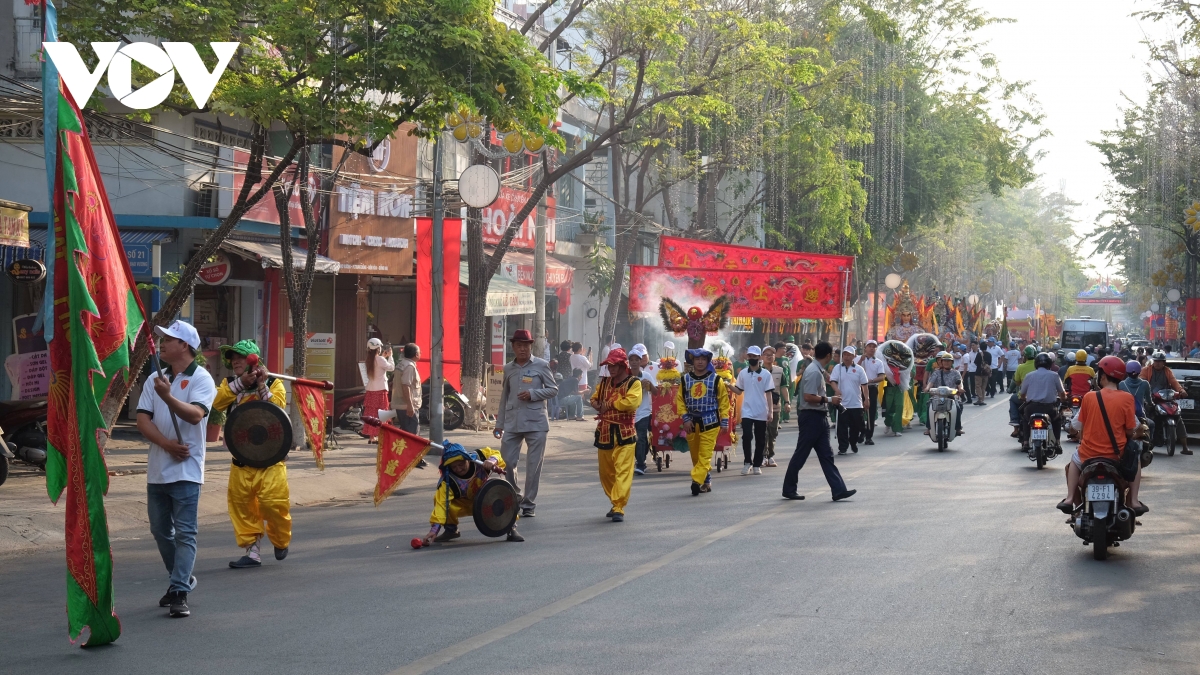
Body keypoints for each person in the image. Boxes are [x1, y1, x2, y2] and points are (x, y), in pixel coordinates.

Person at [136, 321, 216, 618]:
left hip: (187, 471)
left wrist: (169, 396)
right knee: (160, 531)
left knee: (185, 533)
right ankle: (180, 578)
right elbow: (143, 420)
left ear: (184, 345)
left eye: (168, 339)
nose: (162, 344)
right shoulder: (155, 379)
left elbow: (196, 415)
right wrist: (167, 445)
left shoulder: (202, 378)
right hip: (158, 469)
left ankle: (180, 590)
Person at [211, 340, 291, 569]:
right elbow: (215, 403)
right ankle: (252, 551)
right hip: (242, 459)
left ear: (254, 360)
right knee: (242, 506)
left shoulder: (275, 383)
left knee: (274, 504)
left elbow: (277, 407)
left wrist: (261, 386)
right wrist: (239, 385)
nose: (235, 360)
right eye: (232, 357)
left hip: (271, 460)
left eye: (241, 357)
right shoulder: (228, 385)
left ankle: (281, 540)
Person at [1060, 356, 1146, 515]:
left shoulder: (1090, 397)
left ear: (1104, 376)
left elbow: (1075, 426)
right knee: (1137, 460)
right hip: (1117, 456)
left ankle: (1070, 499)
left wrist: (1073, 431)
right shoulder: (1127, 398)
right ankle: (1133, 501)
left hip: (1088, 455)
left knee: (1073, 461)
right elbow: (1129, 430)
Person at [494, 329, 559, 517]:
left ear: (531, 346)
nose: (523, 349)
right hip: (512, 422)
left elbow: (553, 390)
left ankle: (529, 504)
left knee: (533, 465)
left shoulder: (541, 365)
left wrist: (533, 394)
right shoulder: (507, 368)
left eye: (526, 345)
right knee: (507, 460)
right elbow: (503, 398)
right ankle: (516, 494)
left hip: (536, 422)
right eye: (519, 345)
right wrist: (499, 423)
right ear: (513, 347)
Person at [782, 342, 856, 502]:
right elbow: (809, 396)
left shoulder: (817, 370)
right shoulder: (813, 372)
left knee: (827, 455)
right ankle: (788, 488)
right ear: (828, 356)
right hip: (811, 417)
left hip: (819, 417)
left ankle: (838, 489)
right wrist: (830, 399)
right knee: (801, 455)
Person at [421, 443, 523, 544]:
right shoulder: (447, 482)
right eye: (454, 466)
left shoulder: (479, 457)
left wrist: (492, 461)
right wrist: (434, 530)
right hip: (466, 504)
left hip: (487, 499)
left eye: (461, 464)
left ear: (467, 459)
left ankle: (511, 529)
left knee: (502, 496)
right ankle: (451, 530)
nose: (458, 469)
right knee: (442, 501)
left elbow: (497, 454)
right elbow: (441, 506)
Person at [590, 348, 642, 521]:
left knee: (623, 470)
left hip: (625, 433)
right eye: (609, 366)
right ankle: (614, 502)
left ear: (622, 365)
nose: (611, 369)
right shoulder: (604, 383)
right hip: (604, 432)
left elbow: (631, 402)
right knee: (606, 473)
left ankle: (619, 506)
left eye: (614, 365)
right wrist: (596, 404)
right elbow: (594, 398)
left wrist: (610, 404)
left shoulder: (634, 383)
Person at [675, 348, 731, 495]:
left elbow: (724, 402)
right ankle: (706, 480)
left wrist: (725, 420)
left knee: (705, 455)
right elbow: (680, 400)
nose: (700, 362)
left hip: (710, 421)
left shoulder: (716, 379)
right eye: (697, 359)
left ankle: (696, 481)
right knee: (695, 455)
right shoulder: (685, 379)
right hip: (691, 423)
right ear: (692, 361)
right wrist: (685, 418)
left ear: (707, 361)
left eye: (703, 359)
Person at [734, 346, 775, 474]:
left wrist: (771, 411)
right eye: (750, 356)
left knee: (760, 438)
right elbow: (739, 390)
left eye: (754, 356)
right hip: (747, 410)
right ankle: (747, 462)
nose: (752, 358)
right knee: (747, 436)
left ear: (759, 357)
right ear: (748, 357)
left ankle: (757, 464)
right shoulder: (743, 373)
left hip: (761, 410)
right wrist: (727, 385)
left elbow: (769, 394)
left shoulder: (765, 374)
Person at [1142, 351, 1191, 454]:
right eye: (1156, 361)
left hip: (1165, 398)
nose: (1158, 363)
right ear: (1153, 362)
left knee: (1178, 418)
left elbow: (1174, 382)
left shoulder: (1167, 371)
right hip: (1150, 398)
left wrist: (1181, 391)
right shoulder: (1146, 370)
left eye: (1160, 361)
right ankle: (1145, 442)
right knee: (1146, 416)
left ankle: (1185, 447)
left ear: (1164, 362)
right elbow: (1142, 381)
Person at [1019, 352, 1066, 447]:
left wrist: (1025, 399)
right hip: (1049, 408)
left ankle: (1025, 442)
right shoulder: (1054, 375)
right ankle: (1057, 442)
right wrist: (1063, 399)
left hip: (1031, 407)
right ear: (1049, 363)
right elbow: (1062, 393)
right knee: (1057, 419)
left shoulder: (1029, 375)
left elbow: (1022, 394)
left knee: (1025, 419)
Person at [830, 346, 868, 455]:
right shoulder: (838, 368)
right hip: (842, 403)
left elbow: (864, 385)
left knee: (855, 427)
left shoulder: (859, 369)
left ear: (854, 356)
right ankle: (843, 447)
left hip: (856, 403)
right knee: (841, 428)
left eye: (849, 355)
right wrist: (836, 390)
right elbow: (833, 381)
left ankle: (853, 442)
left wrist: (867, 399)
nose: (846, 357)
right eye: (845, 355)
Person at [630, 345, 657, 475]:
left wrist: (650, 385)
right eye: (632, 360)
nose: (634, 362)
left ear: (641, 361)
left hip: (644, 412)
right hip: (628, 413)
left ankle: (641, 464)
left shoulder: (646, 375)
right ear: (628, 362)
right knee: (633, 439)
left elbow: (657, 392)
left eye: (637, 359)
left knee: (641, 437)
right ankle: (637, 459)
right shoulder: (625, 377)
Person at [924, 351, 964, 437]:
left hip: (951, 396)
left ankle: (957, 428)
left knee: (958, 406)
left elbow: (960, 383)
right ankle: (928, 427)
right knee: (929, 405)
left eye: (948, 361)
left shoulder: (956, 373)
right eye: (944, 361)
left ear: (952, 363)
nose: (946, 363)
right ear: (941, 362)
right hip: (937, 396)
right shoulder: (936, 373)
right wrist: (927, 388)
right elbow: (931, 382)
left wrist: (960, 388)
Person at [362, 338, 394, 443]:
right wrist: (390, 356)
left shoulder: (369, 360)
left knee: (371, 413)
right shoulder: (380, 360)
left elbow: (378, 364)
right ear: (378, 348)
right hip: (380, 390)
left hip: (371, 390)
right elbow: (391, 367)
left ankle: (372, 437)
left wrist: (384, 357)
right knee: (381, 413)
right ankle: (381, 435)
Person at [856, 340, 887, 446]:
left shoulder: (878, 362)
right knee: (858, 412)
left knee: (871, 413)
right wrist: (861, 360)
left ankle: (869, 436)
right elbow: (854, 370)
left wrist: (872, 380)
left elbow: (882, 377)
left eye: (874, 346)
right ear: (865, 348)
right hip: (858, 388)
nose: (872, 348)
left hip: (871, 388)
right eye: (869, 346)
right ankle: (862, 430)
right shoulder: (858, 358)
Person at [763, 344, 789, 466]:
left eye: (771, 355)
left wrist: (787, 402)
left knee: (773, 432)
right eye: (767, 355)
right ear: (762, 357)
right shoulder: (758, 371)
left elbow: (784, 388)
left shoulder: (780, 371)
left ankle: (771, 455)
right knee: (763, 432)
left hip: (775, 406)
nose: (769, 357)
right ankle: (763, 455)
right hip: (761, 406)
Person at [390, 343, 422, 435]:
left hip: (401, 404)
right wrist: (410, 405)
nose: (420, 354)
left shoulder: (401, 364)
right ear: (416, 354)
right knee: (412, 434)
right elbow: (405, 386)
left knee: (406, 433)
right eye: (420, 352)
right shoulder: (409, 367)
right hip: (407, 406)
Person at [1010, 346, 1038, 436]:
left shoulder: (1021, 367)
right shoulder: (1040, 367)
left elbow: (1017, 382)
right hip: (1040, 397)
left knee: (1012, 399)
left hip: (1025, 397)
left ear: (1025, 356)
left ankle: (1015, 424)